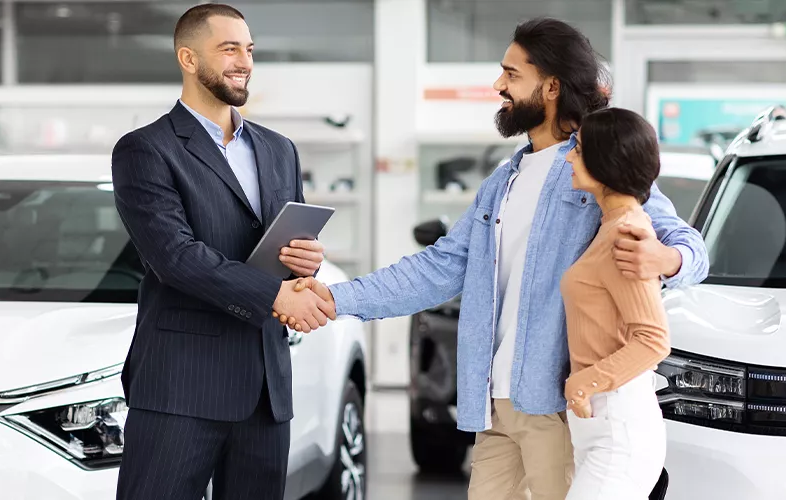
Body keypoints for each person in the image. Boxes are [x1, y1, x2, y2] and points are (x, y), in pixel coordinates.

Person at [279, 17, 708, 500]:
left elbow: (689, 246)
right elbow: (439, 266)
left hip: (556, 407)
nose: (498, 85)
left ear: (550, 86)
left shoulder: (595, 162)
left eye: (511, 74)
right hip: (494, 404)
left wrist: (666, 258)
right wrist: (332, 298)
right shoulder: (504, 179)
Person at [109, 4, 334, 500]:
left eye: (249, 49)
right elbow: (175, 256)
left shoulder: (280, 149)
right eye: (229, 48)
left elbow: (278, 242)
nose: (244, 61)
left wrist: (304, 260)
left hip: (265, 391)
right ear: (188, 59)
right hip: (181, 386)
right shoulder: (146, 149)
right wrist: (276, 296)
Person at [560, 107, 672, 500]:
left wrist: (581, 384)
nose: (569, 156)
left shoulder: (626, 234)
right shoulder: (611, 225)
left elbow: (653, 340)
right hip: (602, 425)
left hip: (618, 426)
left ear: (606, 160)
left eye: (577, 148)